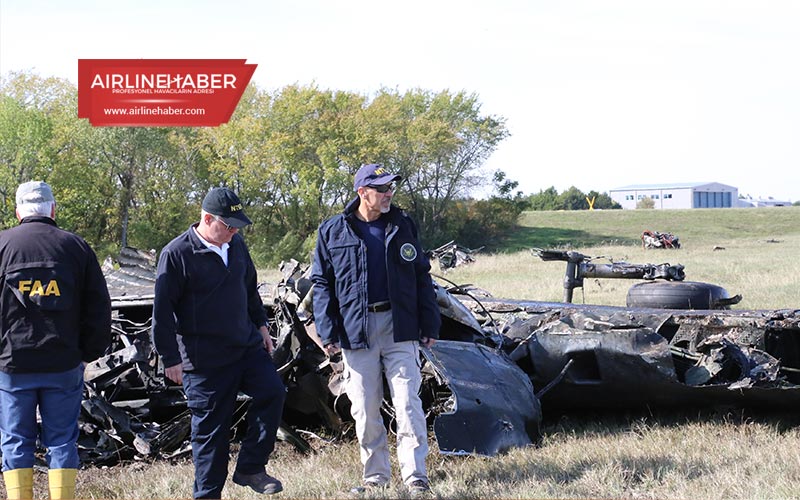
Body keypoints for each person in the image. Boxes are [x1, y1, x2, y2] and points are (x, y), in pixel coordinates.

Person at [311, 163, 441, 495]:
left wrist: (430, 321)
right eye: (381, 189)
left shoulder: (403, 224)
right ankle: (376, 477)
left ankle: (416, 477)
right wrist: (327, 330)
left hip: (400, 326)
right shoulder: (332, 231)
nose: (388, 194)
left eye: (390, 188)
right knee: (366, 408)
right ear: (362, 192)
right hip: (357, 330)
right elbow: (322, 283)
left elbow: (421, 275)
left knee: (408, 403)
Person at [151, 187, 286, 499]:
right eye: (228, 225)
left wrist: (261, 325)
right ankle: (207, 495)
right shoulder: (177, 254)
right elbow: (162, 311)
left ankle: (251, 467)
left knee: (273, 392)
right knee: (212, 436)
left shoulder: (236, 245)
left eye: (238, 226)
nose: (234, 231)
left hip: (245, 347)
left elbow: (249, 289)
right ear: (207, 219)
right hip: (204, 360)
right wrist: (170, 358)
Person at [0, 181, 111, 500]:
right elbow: (99, 308)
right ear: (52, 209)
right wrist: (88, 353)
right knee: (62, 441)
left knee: (15, 441)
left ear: (18, 211)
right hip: (63, 365)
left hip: (12, 367)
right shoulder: (76, 248)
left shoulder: (3, 246)